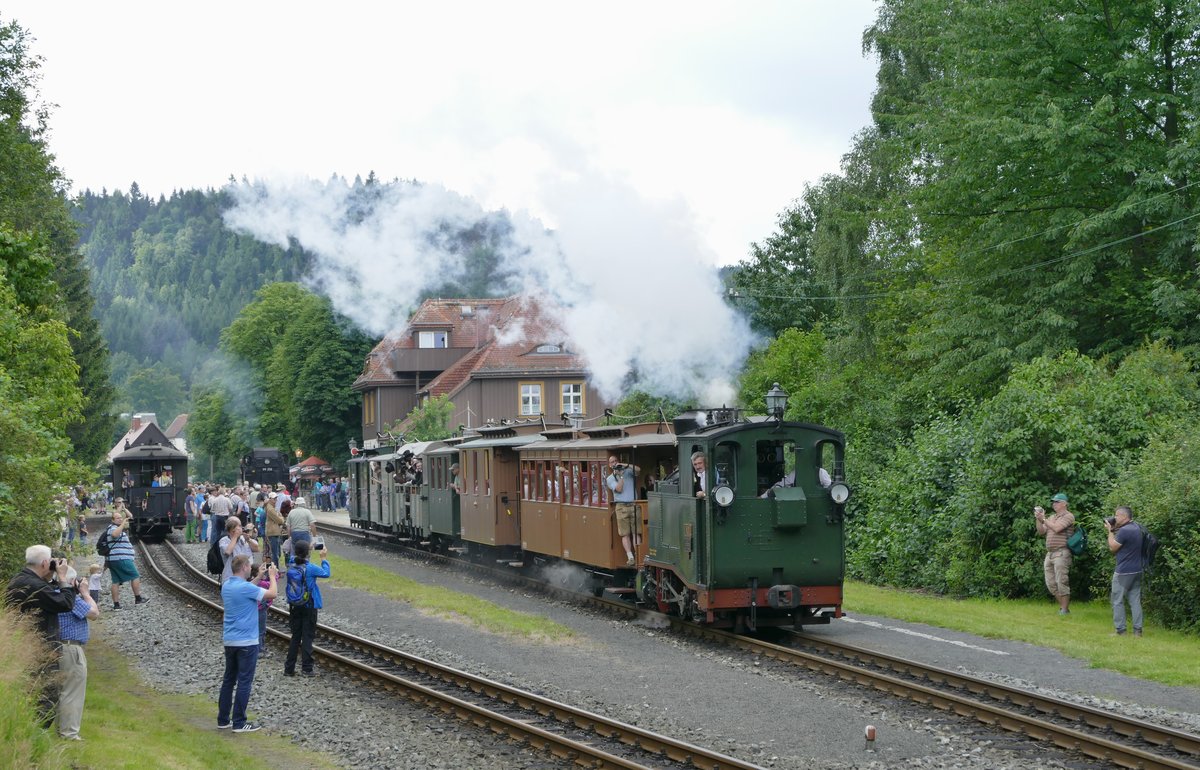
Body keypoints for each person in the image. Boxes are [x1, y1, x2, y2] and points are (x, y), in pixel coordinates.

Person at [6, 545, 78, 722]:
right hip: (41, 647)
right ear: (46, 562)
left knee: (30, 692)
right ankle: (39, 733)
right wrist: (62, 578)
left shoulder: (19, 580)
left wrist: (50, 578)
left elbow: (46, 596)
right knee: (45, 696)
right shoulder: (34, 586)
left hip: (24, 644)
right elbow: (64, 604)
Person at [218, 554, 277, 732]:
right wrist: (272, 577)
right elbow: (272, 594)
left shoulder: (227, 585)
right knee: (244, 681)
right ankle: (239, 722)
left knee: (229, 680)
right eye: (249, 566)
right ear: (244, 567)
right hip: (247, 641)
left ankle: (223, 719)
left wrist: (258, 577)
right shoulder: (245, 588)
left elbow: (246, 589)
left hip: (230, 640)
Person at [56, 566, 99, 741]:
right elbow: (94, 613)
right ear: (72, 581)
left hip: (57, 646)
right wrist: (85, 592)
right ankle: (69, 733)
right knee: (72, 692)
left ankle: (60, 729)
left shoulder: (54, 593)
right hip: (71, 648)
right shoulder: (71, 598)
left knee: (61, 691)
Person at [284, 539, 331, 677]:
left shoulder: (291, 563)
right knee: (308, 637)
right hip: (309, 605)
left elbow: (294, 555)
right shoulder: (311, 568)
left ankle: (289, 668)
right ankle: (307, 668)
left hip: (294, 605)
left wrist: (307, 548)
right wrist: (323, 558)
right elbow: (326, 573)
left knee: (295, 637)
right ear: (308, 553)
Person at [1105, 506, 1144, 637]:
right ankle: (1138, 631)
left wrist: (1110, 531)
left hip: (1123, 571)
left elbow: (1113, 547)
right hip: (1137, 570)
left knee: (1117, 600)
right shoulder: (1136, 527)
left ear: (1124, 517)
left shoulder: (1125, 531)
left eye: (1117, 515)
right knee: (1135, 600)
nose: (1114, 518)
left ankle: (1120, 630)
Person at [1035, 492, 1076, 615]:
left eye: (1057, 502)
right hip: (1050, 554)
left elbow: (1057, 528)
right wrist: (1039, 519)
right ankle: (1064, 608)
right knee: (1050, 583)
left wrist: (1044, 519)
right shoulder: (1052, 517)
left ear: (1064, 504)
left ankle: (1064, 610)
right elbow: (1041, 531)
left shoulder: (1069, 516)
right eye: (1053, 502)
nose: (1054, 504)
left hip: (1062, 552)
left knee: (1061, 581)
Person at [105, 509, 148, 609]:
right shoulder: (112, 528)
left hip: (114, 559)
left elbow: (131, 516)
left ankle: (116, 605)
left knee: (115, 581)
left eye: (121, 518)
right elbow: (115, 535)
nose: (120, 519)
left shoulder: (115, 526)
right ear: (112, 520)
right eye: (117, 518)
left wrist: (123, 509)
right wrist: (122, 524)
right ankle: (138, 598)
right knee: (135, 576)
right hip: (121, 558)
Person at [605, 455, 641, 567]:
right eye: (612, 462)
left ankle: (639, 556)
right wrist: (620, 477)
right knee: (625, 534)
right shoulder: (610, 478)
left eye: (616, 461)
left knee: (636, 532)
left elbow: (638, 470)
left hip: (634, 504)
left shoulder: (628, 472)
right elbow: (619, 489)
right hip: (621, 506)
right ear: (609, 465)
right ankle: (630, 557)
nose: (615, 463)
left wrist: (625, 465)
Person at [220, 517, 259, 585]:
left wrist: (248, 540)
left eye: (240, 526)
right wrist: (235, 536)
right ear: (231, 530)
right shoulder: (224, 540)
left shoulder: (244, 538)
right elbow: (228, 552)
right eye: (238, 526)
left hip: (247, 577)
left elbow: (256, 549)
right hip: (231, 577)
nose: (240, 528)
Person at [264, 494, 285, 566]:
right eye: (274, 499)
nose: (275, 500)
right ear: (270, 499)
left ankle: (275, 568)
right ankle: (275, 568)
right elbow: (279, 520)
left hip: (274, 531)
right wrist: (281, 518)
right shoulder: (270, 509)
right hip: (273, 532)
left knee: (276, 552)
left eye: (276, 499)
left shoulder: (271, 507)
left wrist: (280, 516)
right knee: (275, 553)